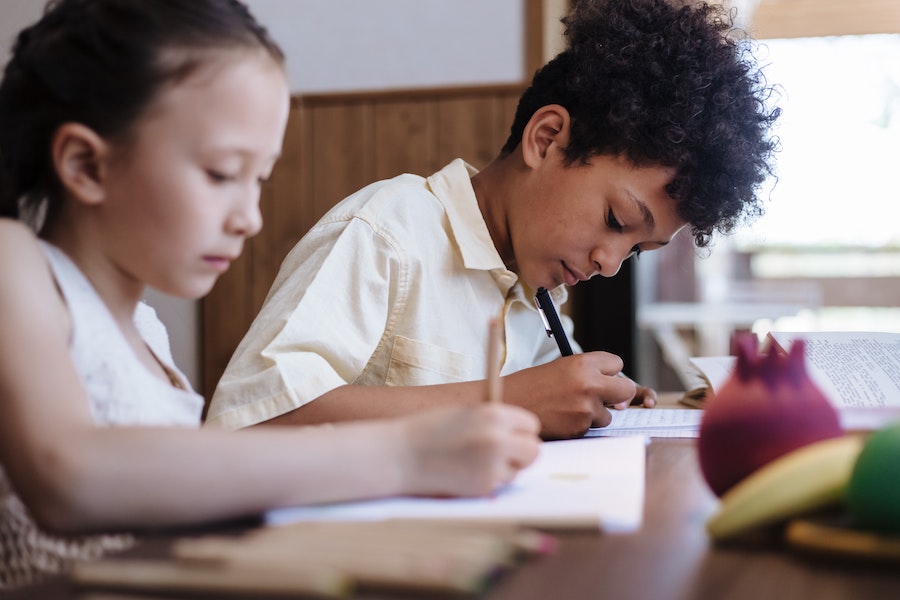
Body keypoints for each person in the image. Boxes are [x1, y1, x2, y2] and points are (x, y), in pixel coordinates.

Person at [0, 0, 542, 589]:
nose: (250, 219)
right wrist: (405, 454)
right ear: (85, 164)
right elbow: (71, 476)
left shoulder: (146, 330)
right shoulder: (14, 264)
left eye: (259, 179)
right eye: (221, 173)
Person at [206, 0, 780, 440]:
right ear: (547, 138)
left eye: (634, 252)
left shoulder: (539, 292)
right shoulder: (385, 234)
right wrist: (504, 399)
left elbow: (546, 399)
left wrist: (599, 401)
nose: (609, 263)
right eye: (614, 219)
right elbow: (249, 422)